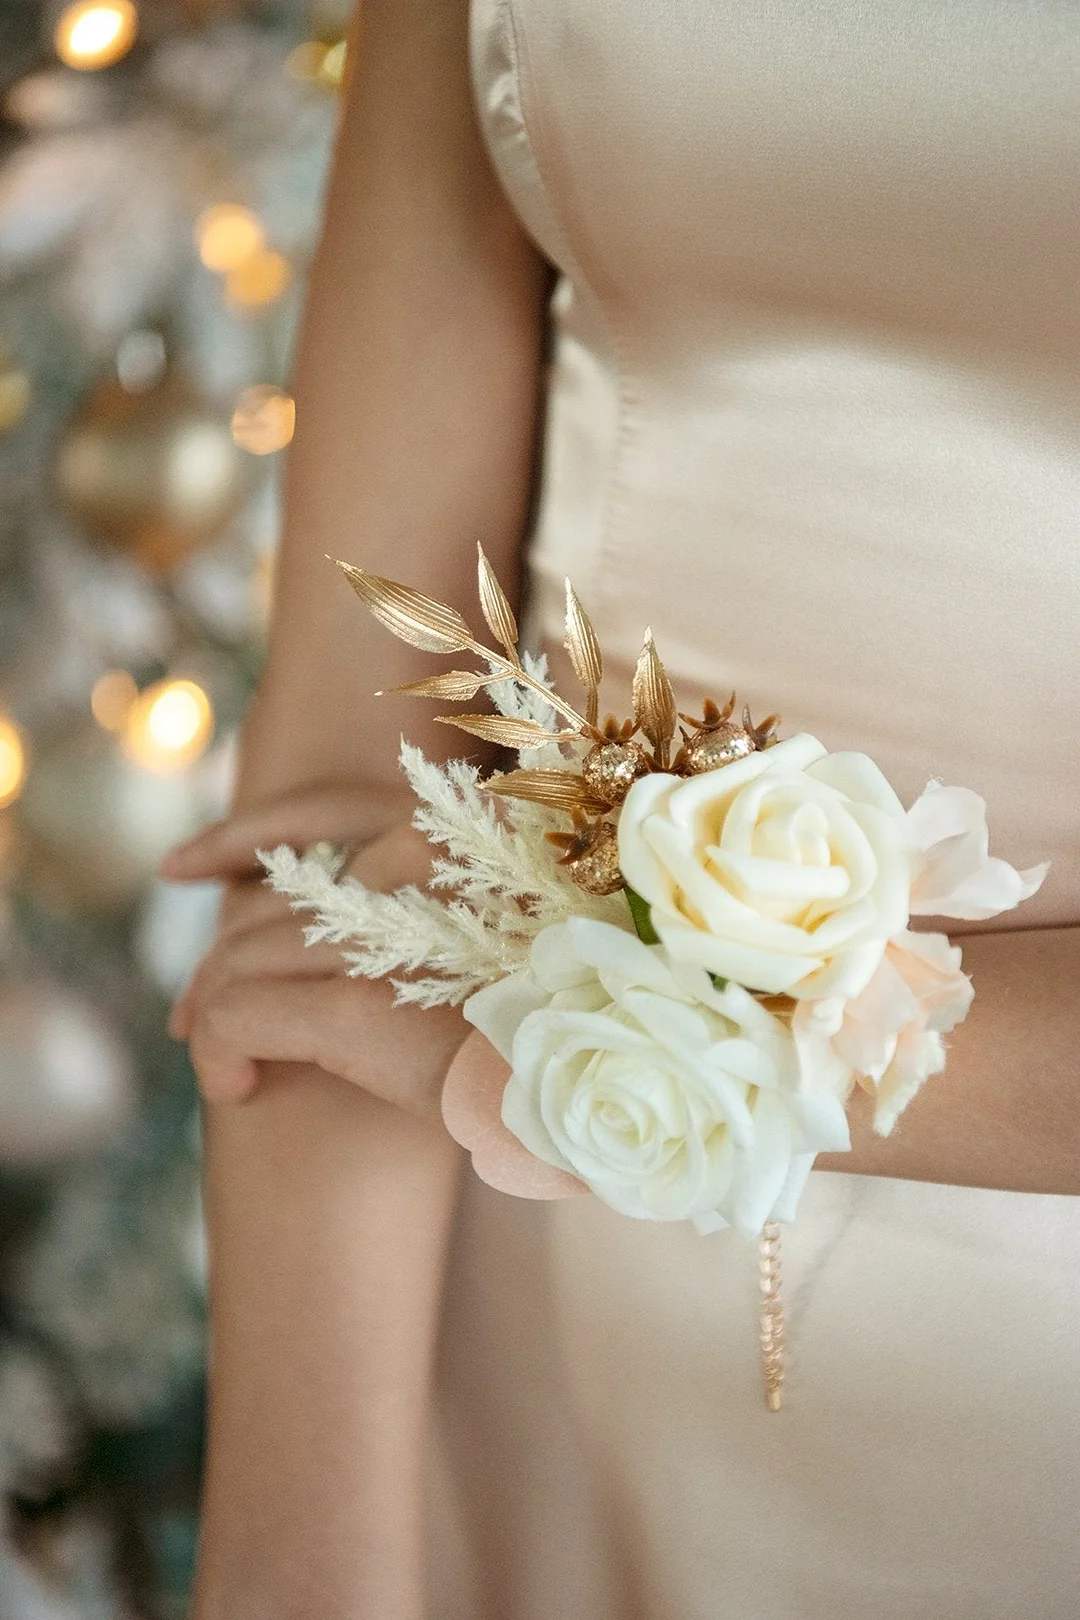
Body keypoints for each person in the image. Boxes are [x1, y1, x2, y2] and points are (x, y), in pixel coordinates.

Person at [163, 2, 1080, 1615]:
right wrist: (300, 1563)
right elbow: (343, 799)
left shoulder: (507, 1048)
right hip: (533, 1299)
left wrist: (636, 1042)